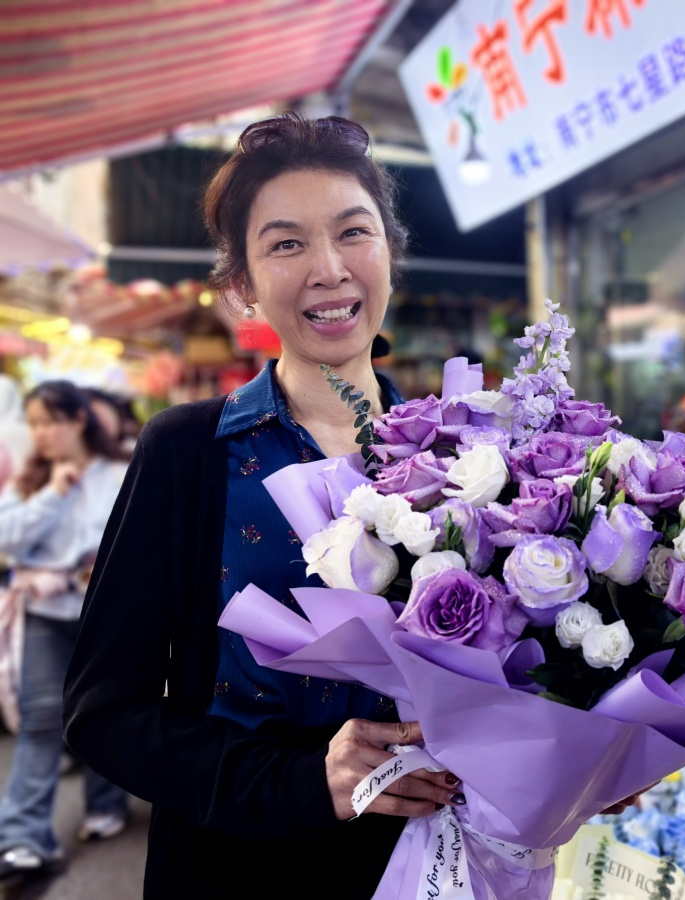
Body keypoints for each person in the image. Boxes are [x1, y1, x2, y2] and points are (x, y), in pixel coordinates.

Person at [60, 115, 478, 898]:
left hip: (431, 861)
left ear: (389, 252)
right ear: (244, 283)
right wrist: (301, 780)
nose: (328, 269)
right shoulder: (189, 451)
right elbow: (103, 712)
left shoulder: (461, 458)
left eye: (354, 233)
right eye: (286, 244)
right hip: (236, 866)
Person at [0, 380, 129, 881]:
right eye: (34, 424)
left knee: (102, 712)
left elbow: (132, 536)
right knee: (39, 722)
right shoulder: (31, 479)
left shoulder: (119, 471)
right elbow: (8, 537)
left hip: (106, 616)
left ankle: (107, 803)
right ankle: (21, 837)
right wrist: (53, 495)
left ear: (79, 419)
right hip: (43, 616)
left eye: (51, 421)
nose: (42, 434)